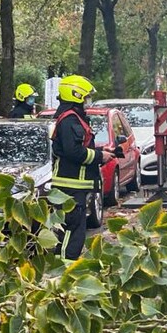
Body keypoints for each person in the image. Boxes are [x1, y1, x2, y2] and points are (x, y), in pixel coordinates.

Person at [50, 75, 113, 261]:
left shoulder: (73, 118)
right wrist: (100, 156)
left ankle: (67, 267)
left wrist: (103, 151)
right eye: (86, 97)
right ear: (75, 95)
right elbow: (74, 152)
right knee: (72, 227)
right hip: (71, 186)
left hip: (75, 186)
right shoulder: (70, 120)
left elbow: (79, 148)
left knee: (75, 228)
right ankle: (64, 269)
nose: (88, 101)